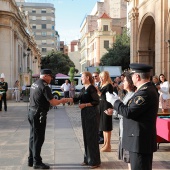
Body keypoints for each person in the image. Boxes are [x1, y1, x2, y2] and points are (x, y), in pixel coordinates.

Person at [106, 63, 159, 170]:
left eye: (132, 75)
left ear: (137, 76)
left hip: (140, 141)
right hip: (139, 140)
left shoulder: (145, 92)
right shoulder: (145, 90)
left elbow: (128, 112)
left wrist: (114, 101)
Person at [28, 69, 66, 169]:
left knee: (33, 137)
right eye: (50, 76)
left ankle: (31, 159)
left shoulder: (35, 83)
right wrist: (62, 100)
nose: (51, 78)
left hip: (31, 112)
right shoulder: (45, 86)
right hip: (39, 114)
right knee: (38, 138)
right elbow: (53, 102)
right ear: (45, 76)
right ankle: (37, 162)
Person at [67, 71, 101, 169]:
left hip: (92, 114)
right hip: (85, 114)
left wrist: (85, 105)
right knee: (86, 136)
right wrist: (65, 100)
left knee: (92, 137)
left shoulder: (91, 88)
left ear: (87, 77)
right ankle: (87, 159)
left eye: (82, 77)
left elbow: (96, 101)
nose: (81, 79)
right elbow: (77, 98)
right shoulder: (83, 88)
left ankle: (95, 161)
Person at [105, 72, 136, 170]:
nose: (123, 82)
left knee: (130, 159)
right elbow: (123, 111)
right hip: (123, 130)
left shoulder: (132, 95)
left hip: (128, 131)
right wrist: (113, 112)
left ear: (130, 83)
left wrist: (114, 103)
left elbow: (127, 112)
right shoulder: (127, 95)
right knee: (127, 159)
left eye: (125, 80)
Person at [98, 71, 113, 152]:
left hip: (107, 106)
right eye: (100, 77)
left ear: (106, 77)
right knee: (103, 126)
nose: (101, 78)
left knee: (107, 126)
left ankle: (108, 145)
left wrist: (98, 92)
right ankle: (105, 143)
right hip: (101, 106)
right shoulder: (101, 84)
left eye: (102, 77)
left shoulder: (109, 85)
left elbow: (106, 96)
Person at [92, 71, 104, 144]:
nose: (94, 78)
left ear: (99, 76)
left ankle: (101, 138)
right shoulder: (92, 84)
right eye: (93, 77)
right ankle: (96, 137)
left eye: (96, 76)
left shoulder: (102, 84)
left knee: (100, 122)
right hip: (94, 106)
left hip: (101, 105)